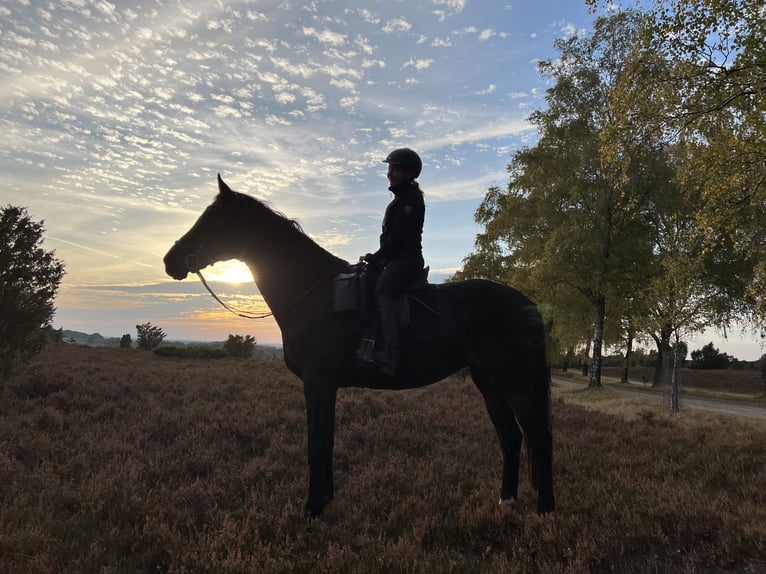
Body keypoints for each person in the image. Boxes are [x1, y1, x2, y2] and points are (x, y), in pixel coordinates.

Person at [360, 147, 426, 375]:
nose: (390, 173)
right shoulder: (401, 199)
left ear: (408, 173)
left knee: (382, 292)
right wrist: (377, 259)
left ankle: (390, 353)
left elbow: (398, 238)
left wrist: (377, 257)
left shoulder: (411, 200)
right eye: (389, 168)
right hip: (395, 259)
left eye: (395, 169)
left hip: (406, 261)